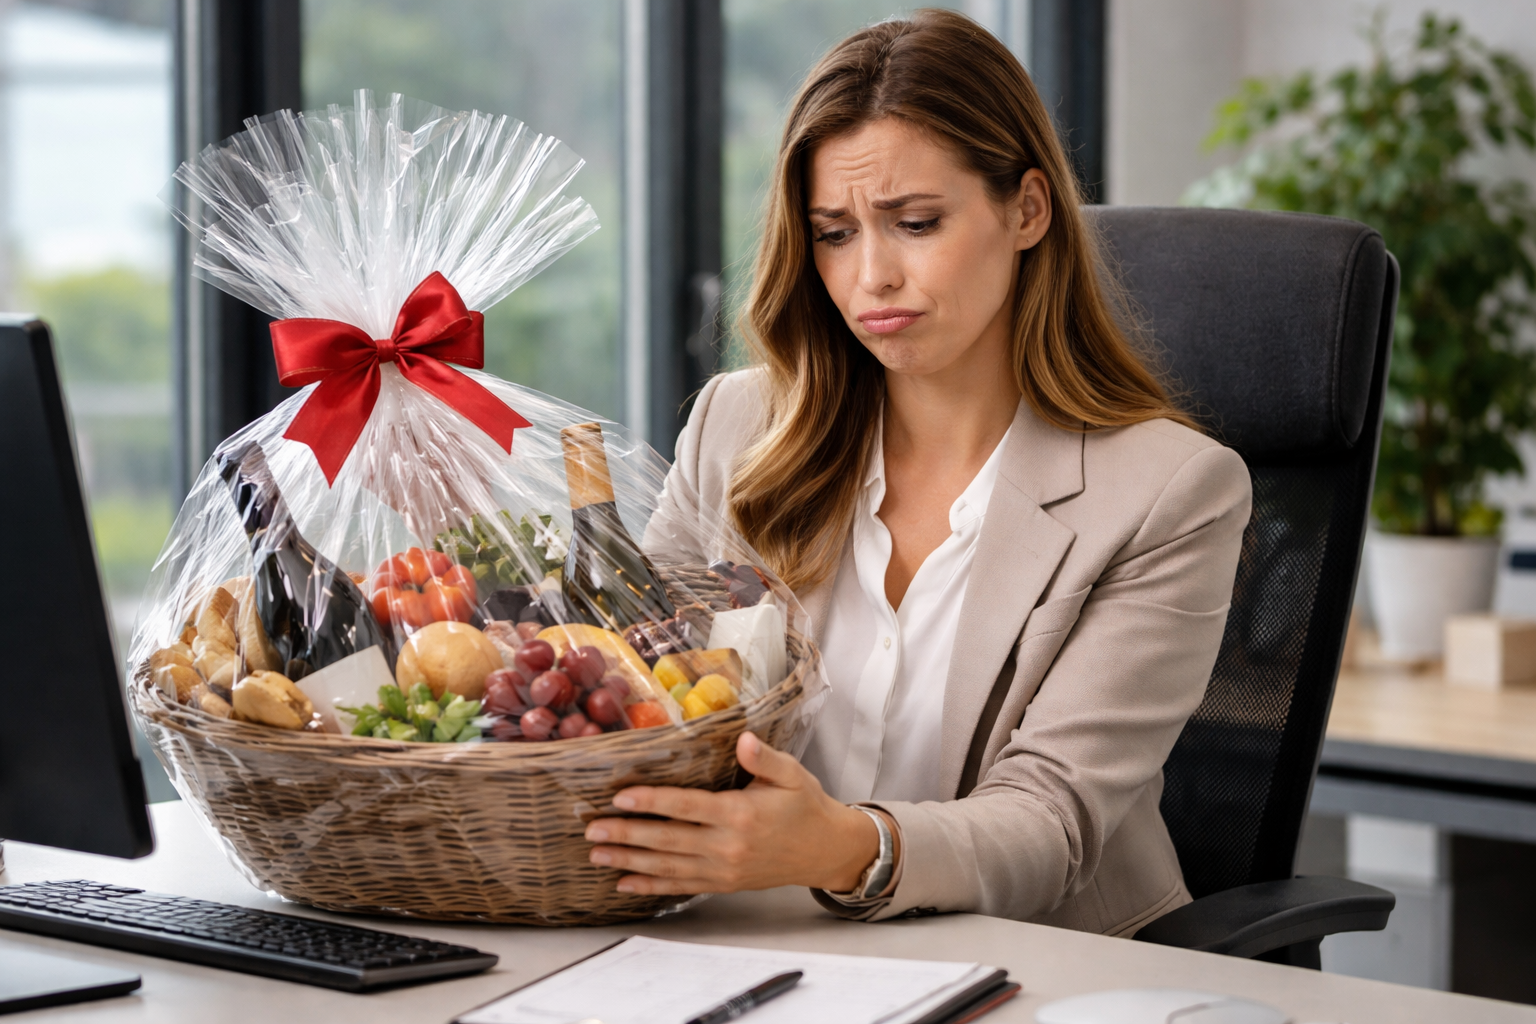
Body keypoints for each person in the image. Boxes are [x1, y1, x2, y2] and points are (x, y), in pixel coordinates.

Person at [584, 8, 1252, 935]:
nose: (872, 278)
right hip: (743, 941)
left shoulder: (1167, 493)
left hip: (1040, 962)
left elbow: (1050, 825)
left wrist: (839, 847)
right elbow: (637, 692)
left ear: (1027, 209)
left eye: (916, 223)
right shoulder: (736, 428)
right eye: (834, 233)